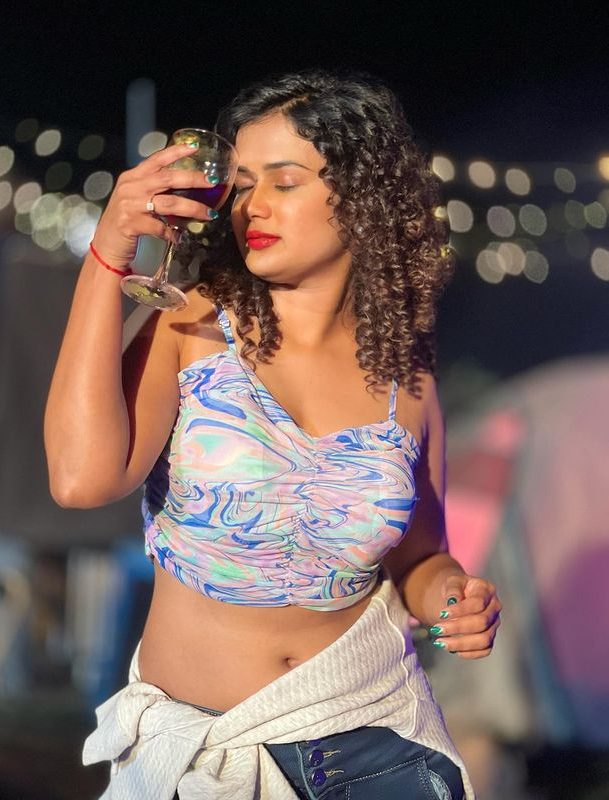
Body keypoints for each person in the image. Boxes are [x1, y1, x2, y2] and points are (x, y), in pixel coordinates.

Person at [45, 70, 501, 800]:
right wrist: (108, 259)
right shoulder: (190, 325)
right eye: (244, 184)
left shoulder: (404, 378)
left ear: (362, 199)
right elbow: (80, 479)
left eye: (284, 182)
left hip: (374, 743)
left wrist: (454, 598)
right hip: (205, 758)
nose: (252, 205)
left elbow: (420, 556)